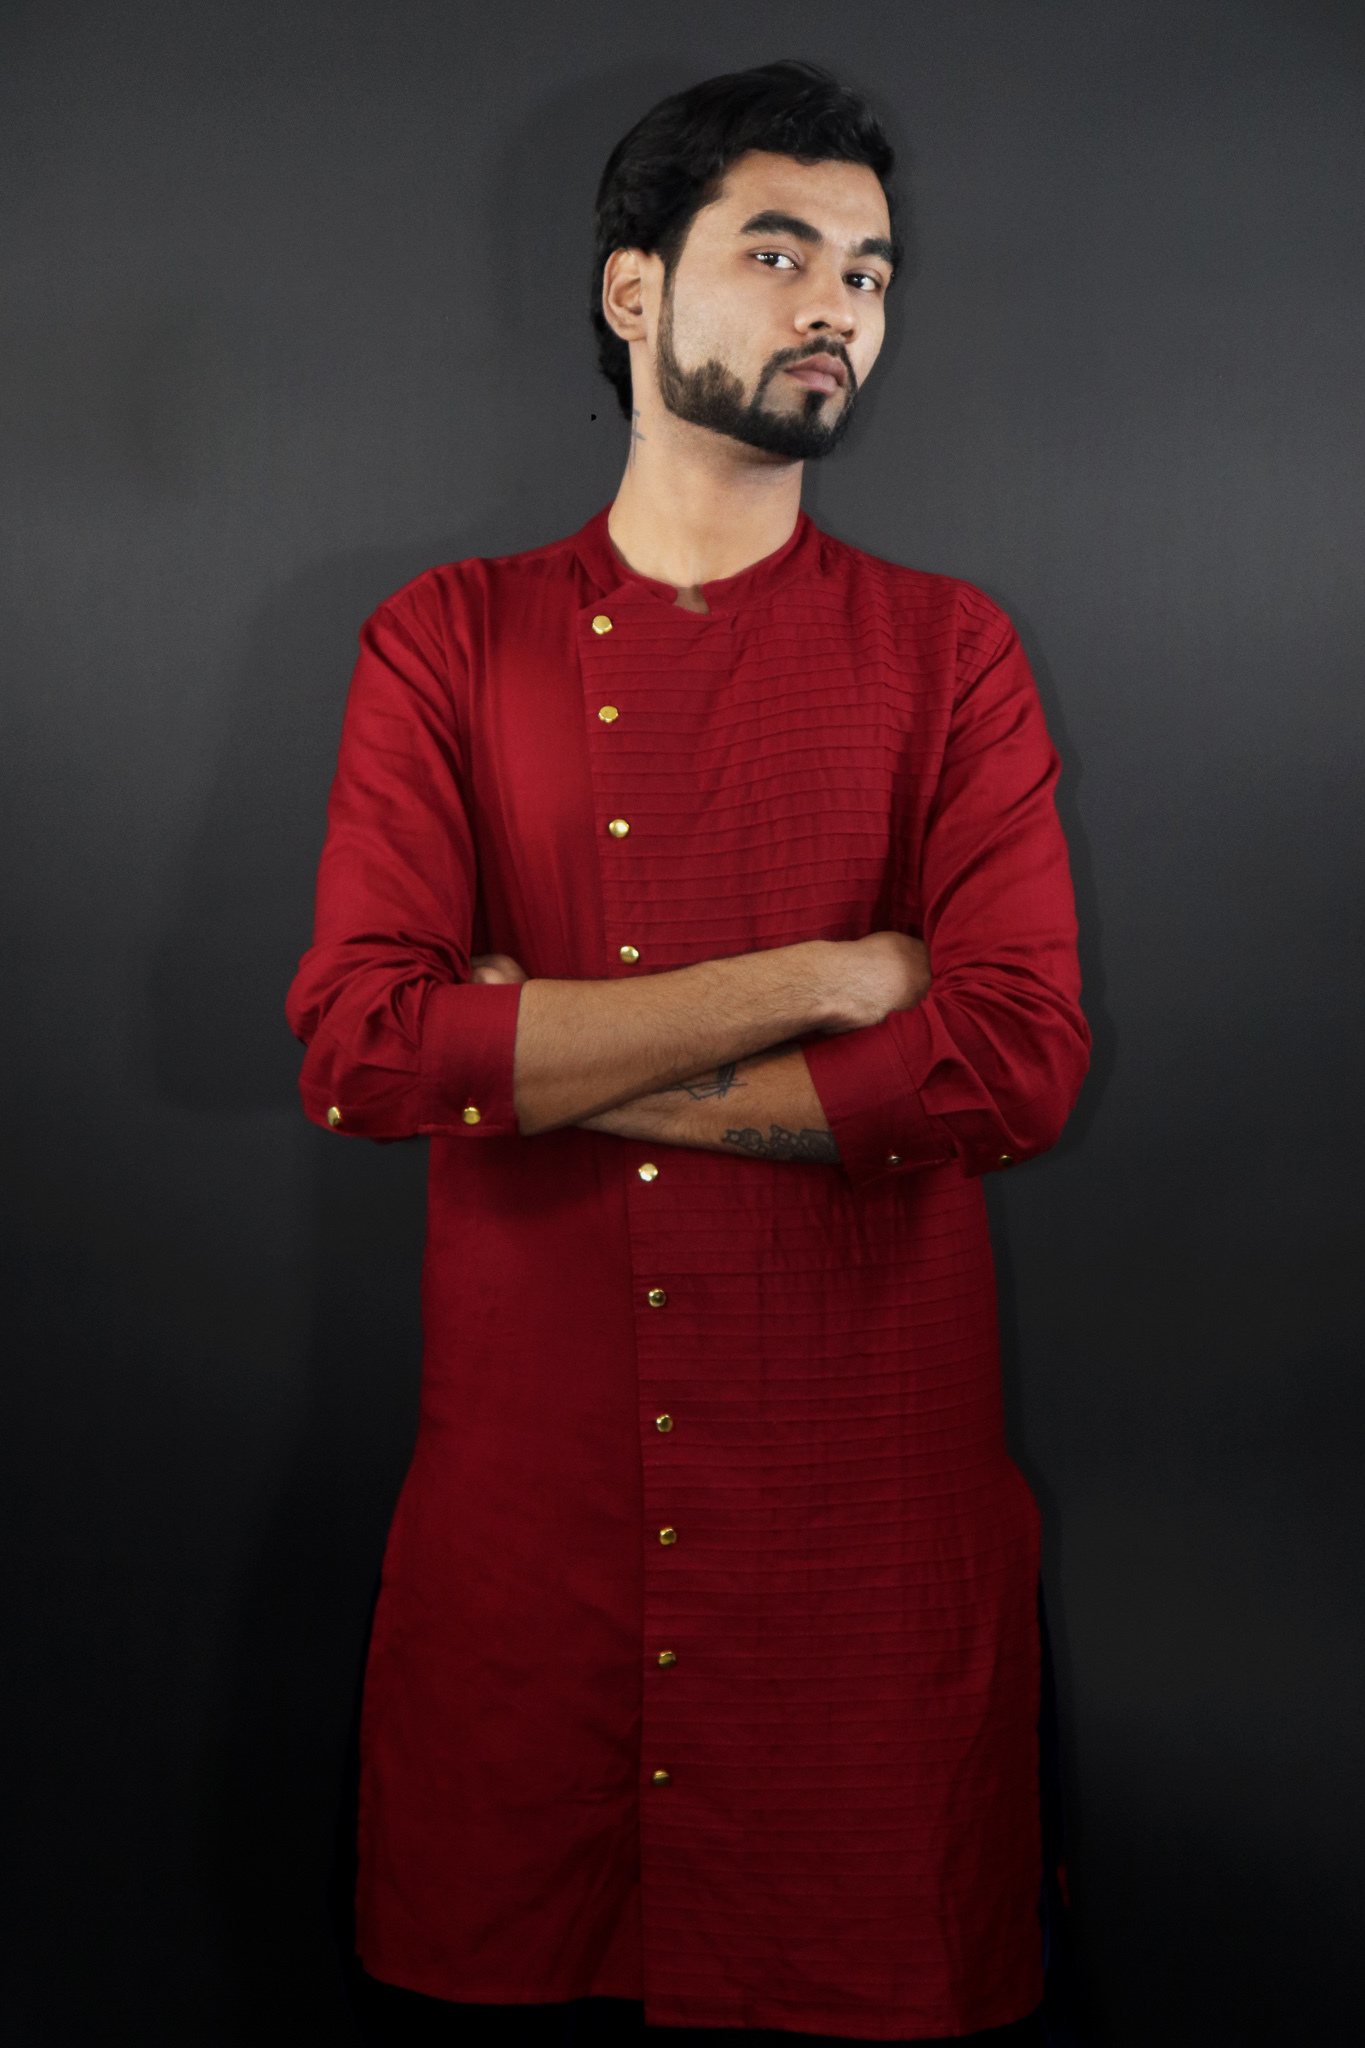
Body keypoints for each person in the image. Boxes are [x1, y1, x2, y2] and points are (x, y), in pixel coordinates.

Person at [286, 59, 1090, 2048]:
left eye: (869, 272)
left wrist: (535, 1049)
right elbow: (367, 1046)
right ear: (633, 288)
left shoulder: (949, 653)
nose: (838, 306)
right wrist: (826, 976)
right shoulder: (446, 641)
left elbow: (1009, 1067)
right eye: (778, 253)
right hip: (535, 1532)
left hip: (861, 1521)